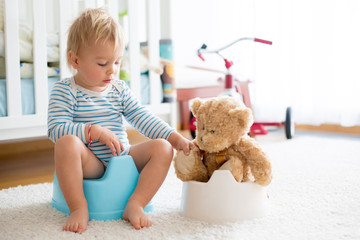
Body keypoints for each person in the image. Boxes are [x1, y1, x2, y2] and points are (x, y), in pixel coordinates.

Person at [47, 8, 194, 233]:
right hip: (90, 163)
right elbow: (56, 129)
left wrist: (174, 137)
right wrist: (92, 131)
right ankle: (78, 207)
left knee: (163, 148)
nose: (112, 71)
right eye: (102, 63)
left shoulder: (119, 89)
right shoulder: (65, 91)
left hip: (122, 157)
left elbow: (142, 117)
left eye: (116, 62)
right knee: (66, 143)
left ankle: (135, 203)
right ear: (75, 60)